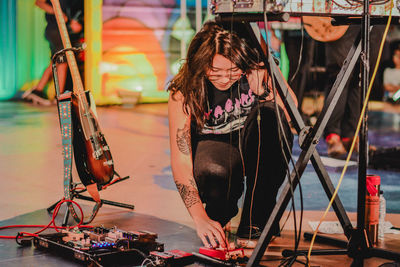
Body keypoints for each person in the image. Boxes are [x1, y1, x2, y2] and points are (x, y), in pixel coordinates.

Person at [168, 21, 297, 249]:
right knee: (215, 171)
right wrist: (200, 218)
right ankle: (221, 211)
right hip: (216, 149)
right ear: (200, 64)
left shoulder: (252, 69)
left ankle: (257, 218)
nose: (225, 79)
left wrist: (265, 89)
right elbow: (180, 162)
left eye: (232, 71)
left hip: (253, 142)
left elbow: (292, 116)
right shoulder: (183, 92)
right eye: (215, 72)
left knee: (271, 119)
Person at [324, 25, 384, 158]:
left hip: (376, 10)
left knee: (363, 73)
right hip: (346, 11)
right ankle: (332, 134)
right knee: (339, 72)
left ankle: (350, 135)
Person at [23, 0, 83, 105]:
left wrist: (71, 21)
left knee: (55, 62)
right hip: (55, 30)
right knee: (63, 62)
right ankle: (59, 96)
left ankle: (38, 90)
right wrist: (57, 12)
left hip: (61, 29)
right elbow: (39, 2)